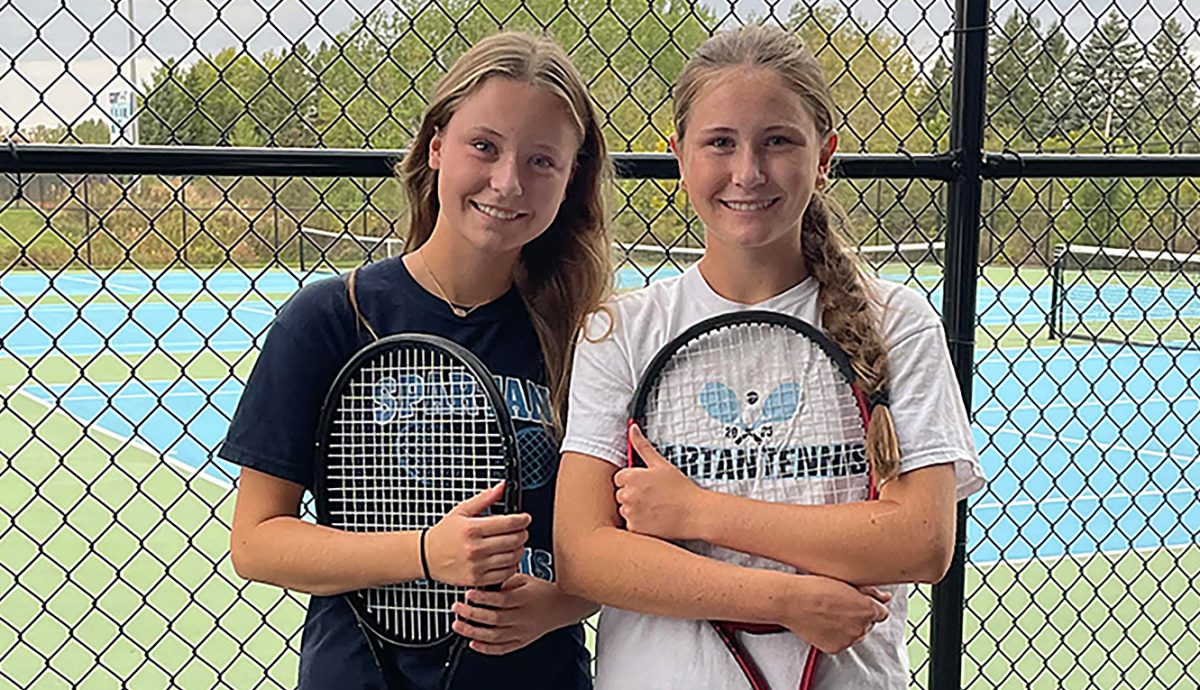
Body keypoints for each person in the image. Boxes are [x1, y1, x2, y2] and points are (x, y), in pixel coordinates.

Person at [554, 24, 986, 689]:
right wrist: (784, 601)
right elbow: (584, 555)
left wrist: (699, 512)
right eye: (719, 142)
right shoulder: (621, 329)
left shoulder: (896, 322)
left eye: (778, 141)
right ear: (679, 156)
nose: (748, 172)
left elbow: (920, 541)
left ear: (824, 155)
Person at [221, 31, 611, 690]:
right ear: (436, 147)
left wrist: (564, 603)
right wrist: (426, 553)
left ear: (572, 177)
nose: (507, 181)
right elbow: (257, 541)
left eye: (542, 160)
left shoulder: (588, 337)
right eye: (483, 146)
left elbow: (617, 544)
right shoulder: (329, 319)